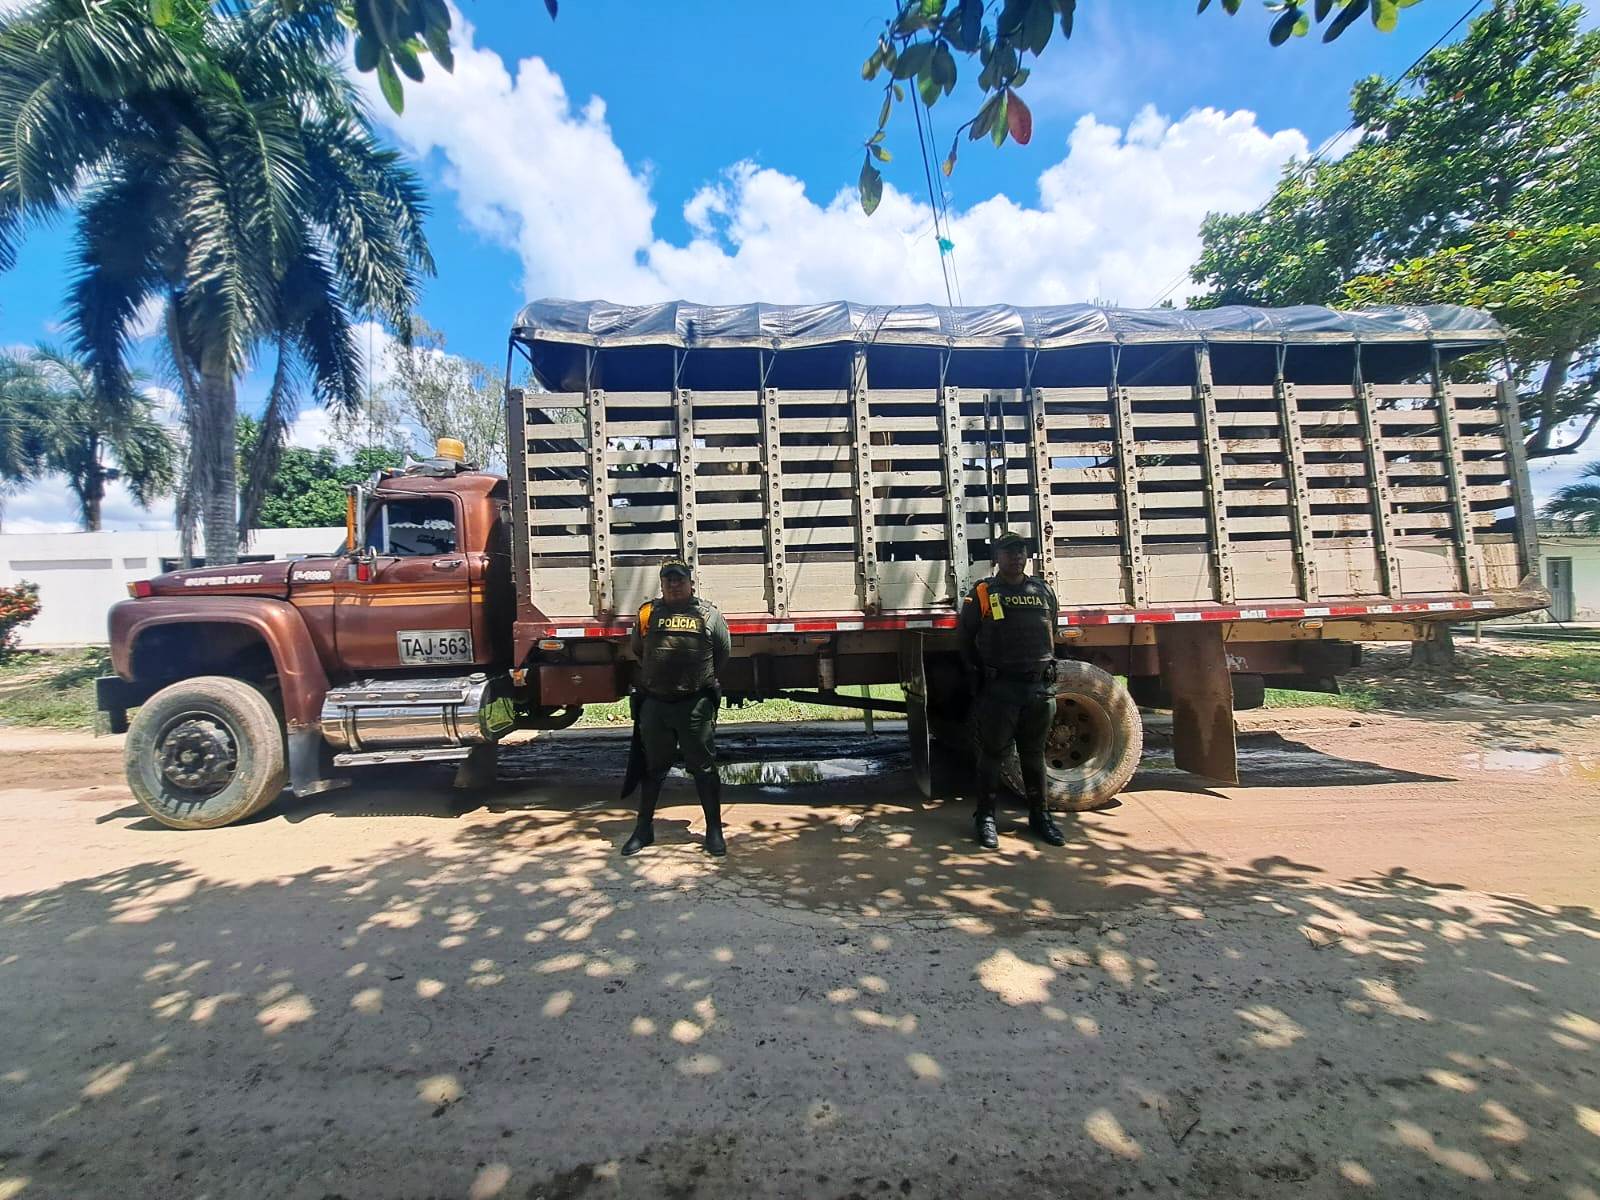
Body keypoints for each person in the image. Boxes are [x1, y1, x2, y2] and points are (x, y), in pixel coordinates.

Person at [957, 529, 1067, 851]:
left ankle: (1040, 817)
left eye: (1021, 551)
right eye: (1009, 551)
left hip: (1038, 688)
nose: (1016, 556)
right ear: (997, 558)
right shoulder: (983, 592)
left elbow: (1053, 630)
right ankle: (986, 818)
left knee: (1034, 756)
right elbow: (965, 639)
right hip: (1001, 689)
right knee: (993, 756)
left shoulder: (1043, 590)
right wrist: (978, 676)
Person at [620, 557, 732, 857]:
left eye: (679, 578)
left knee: (704, 769)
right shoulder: (647, 614)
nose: (674, 583)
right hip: (656, 704)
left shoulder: (708, 615)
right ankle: (643, 830)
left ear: (690, 582)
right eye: (668, 579)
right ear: (661, 584)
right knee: (653, 769)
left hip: (693, 705)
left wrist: (700, 680)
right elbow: (639, 649)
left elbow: (722, 652)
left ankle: (714, 832)